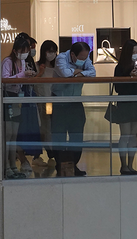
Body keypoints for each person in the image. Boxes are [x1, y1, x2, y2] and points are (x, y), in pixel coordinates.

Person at [52, 41, 96, 176]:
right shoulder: (61, 58)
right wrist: (79, 72)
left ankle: (73, 165)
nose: (84, 60)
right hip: (59, 102)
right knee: (59, 136)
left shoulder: (85, 57)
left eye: (85, 58)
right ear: (72, 54)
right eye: (81, 58)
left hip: (76, 102)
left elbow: (93, 72)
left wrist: (77, 73)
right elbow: (65, 73)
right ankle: (61, 165)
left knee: (76, 136)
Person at [109, 39, 137, 175]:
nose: (136, 54)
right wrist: (129, 77)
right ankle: (123, 164)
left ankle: (130, 164)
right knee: (125, 135)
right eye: (134, 52)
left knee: (133, 136)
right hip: (125, 103)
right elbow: (118, 87)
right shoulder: (119, 68)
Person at [2, 36, 34, 179]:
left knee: (14, 136)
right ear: (15, 51)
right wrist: (22, 75)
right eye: (22, 51)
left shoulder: (22, 62)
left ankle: (14, 166)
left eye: (26, 51)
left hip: (16, 99)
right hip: (8, 98)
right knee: (7, 135)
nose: (24, 54)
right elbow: (5, 79)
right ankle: (6, 166)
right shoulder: (7, 62)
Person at [15, 33, 41, 175]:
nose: (30, 50)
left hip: (30, 97)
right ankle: (20, 158)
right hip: (19, 97)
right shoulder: (10, 62)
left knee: (31, 128)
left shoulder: (30, 60)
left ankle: (33, 155)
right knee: (18, 130)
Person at [35, 40, 59, 167]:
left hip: (53, 101)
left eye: (54, 51)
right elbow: (32, 82)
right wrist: (40, 74)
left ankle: (51, 152)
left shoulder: (57, 67)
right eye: (49, 51)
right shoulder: (38, 66)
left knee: (50, 127)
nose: (52, 54)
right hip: (40, 101)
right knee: (43, 128)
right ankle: (42, 153)